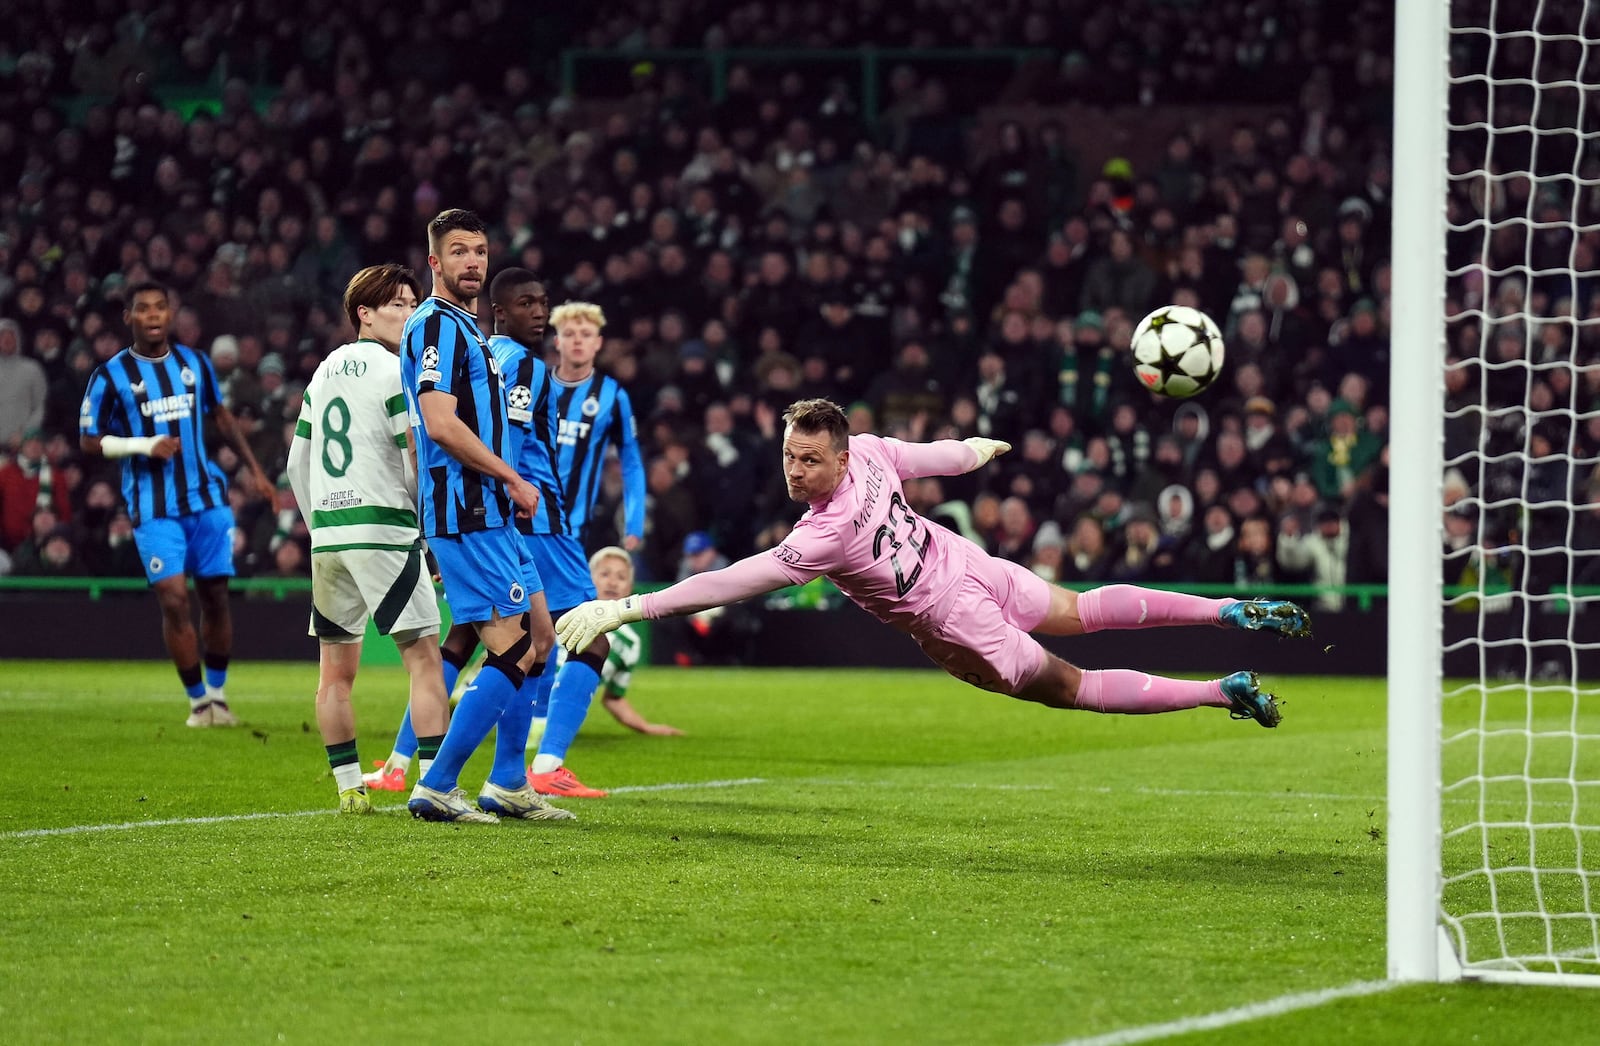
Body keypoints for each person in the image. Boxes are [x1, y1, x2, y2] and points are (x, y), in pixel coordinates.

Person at [558, 399, 1311, 725]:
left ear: (839, 454)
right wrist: (978, 449)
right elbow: (937, 459)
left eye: (810, 460)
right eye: (789, 457)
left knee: (1072, 687)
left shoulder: (824, 533)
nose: (796, 473)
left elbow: (734, 580)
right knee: (1080, 608)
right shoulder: (877, 454)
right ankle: (1225, 613)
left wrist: (631, 605)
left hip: (955, 617)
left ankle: (1220, 689)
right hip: (966, 562)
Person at [398, 208, 572, 824]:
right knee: (514, 647)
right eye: (459, 251)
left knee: (541, 639)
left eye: (479, 250)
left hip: (490, 509)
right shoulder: (437, 327)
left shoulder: (469, 333)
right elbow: (438, 424)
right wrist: (512, 478)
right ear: (435, 262)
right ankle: (438, 783)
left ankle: (506, 783)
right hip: (470, 507)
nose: (472, 260)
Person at [284, 263, 452, 815]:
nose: (409, 315)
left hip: (331, 538)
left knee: (334, 674)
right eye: (397, 305)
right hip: (384, 530)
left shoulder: (324, 371)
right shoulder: (395, 370)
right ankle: (435, 788)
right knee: (425, 660)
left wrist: (319, 528)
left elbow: (296, 461)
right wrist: (423, 534)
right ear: (364, 312)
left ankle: (350, 791)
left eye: (411, 304)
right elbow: (414, 456)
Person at [79, 281, 276, 727]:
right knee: (172, 598)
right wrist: (145, 445)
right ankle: (197, 702)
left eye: (160, 308)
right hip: (152, 506)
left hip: (207, 499)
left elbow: (220, 416)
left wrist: (257, 472)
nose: (152, 315)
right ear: (128, 316)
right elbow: (89, 441)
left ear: (170, 314)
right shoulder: (110, 375)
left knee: (216, 597)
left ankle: (219, 697)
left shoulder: (194, 363)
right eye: (143, 309)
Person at [523, 300, 647, 799]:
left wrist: (633, 521)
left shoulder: (611, 397)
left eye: (585, 334)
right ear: (557, 339)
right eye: (568, 332)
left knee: (539, 632)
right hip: (528, 525)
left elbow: (632, 461)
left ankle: (420, 750)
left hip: (568, 533)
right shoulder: (535, 384)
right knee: (571, 635)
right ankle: (541, 756)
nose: (576, 340)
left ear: (598, 343)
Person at [587, 544, 682, 736]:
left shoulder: (630, 642)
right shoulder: (560, 615)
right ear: (588, 580)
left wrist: (645, 727)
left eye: (621, 577)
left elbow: (613, 698)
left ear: (630, 588)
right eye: (605, 574)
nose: (612, 582)